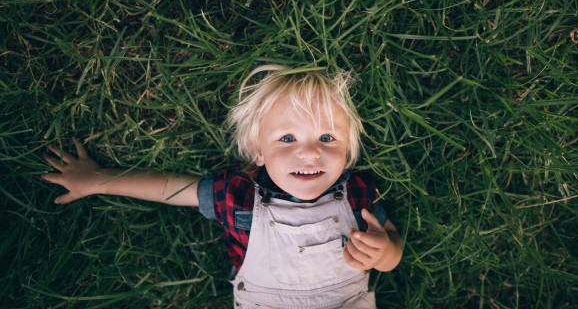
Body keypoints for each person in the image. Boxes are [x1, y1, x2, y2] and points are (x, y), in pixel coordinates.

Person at [42, 64, 403, 308]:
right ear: (258, 152)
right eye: (287, 138)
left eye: (327, 137)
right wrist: (98, 180)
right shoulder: (239, 196)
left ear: (347, 151)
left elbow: (391, 244)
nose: (309, 152)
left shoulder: (357, 194)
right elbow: (172, 188)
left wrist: (385, 253)